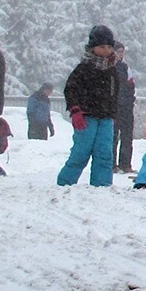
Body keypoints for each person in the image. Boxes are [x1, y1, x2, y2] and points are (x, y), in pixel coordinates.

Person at [58, 25, 121, 188]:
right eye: (102, 47)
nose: (106, 50)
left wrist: (113, 113)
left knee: (105, 153)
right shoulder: (83, 68)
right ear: (93, 48)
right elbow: (70, 89)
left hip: (106, 118)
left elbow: (114, 94)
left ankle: (102, 186)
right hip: (86, 117)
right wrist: (75, 110)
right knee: (81, 152)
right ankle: (65, 184)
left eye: (109, 47)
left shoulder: (113, 70)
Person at [112, 43, 138, 174]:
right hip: (113, 108)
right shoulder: (108, 68)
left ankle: (125, 164)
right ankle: (112, 164)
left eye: (122, 52)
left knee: (127, 136)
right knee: (113, 136)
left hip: (126, 107)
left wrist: (129, 101)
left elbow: (131, 86)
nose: (120, 54)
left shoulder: (126, 68)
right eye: (118, 51)